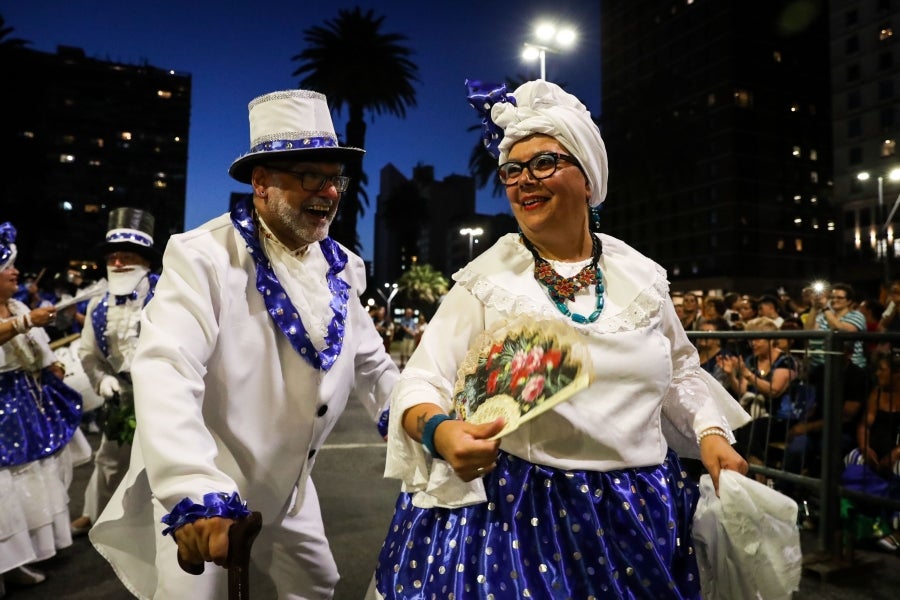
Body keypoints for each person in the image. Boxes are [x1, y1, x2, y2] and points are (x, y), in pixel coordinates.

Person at [370, 80, 749, 599]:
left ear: (588, 179)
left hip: (642, 512)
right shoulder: (489, 278)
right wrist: (439, 432)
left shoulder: (643, 277)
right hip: (520, 516)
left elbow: (681, 372)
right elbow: (420, 381)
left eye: (544, 163)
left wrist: (711, 436)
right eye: (512, 170)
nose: (524, 180)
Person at [89, 89, 400, 599]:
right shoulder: (204, 258)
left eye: (334, 177)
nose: (329, 192)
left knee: (315, 583)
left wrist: (424, 417)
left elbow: (373, 365)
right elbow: (167, 367)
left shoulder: (341, 267)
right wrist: (195, 491)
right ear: (261, 183)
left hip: (292, 493)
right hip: (210, 496)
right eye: (309, 176)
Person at [0, 222, 83, 594]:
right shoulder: (18, 313)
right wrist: (23, 323)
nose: (15, 271)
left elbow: (37, 348)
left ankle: (18, 561)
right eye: (7, 267)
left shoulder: (17, 303)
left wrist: (52, 364)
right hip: (3, 409)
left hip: (29, 407)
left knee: (35, 483)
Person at [69, 207, 161, 537]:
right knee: (109, 457)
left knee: (165, 459)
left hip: (165, 394)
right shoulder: (97, 304)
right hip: (122, 395)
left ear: (146, 261)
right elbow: (87, 352)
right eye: (113, 257)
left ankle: (163, 524)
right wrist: (102, 379)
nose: (118, 263)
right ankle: (93, 514)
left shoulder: (167, 294)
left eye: (127, 256)